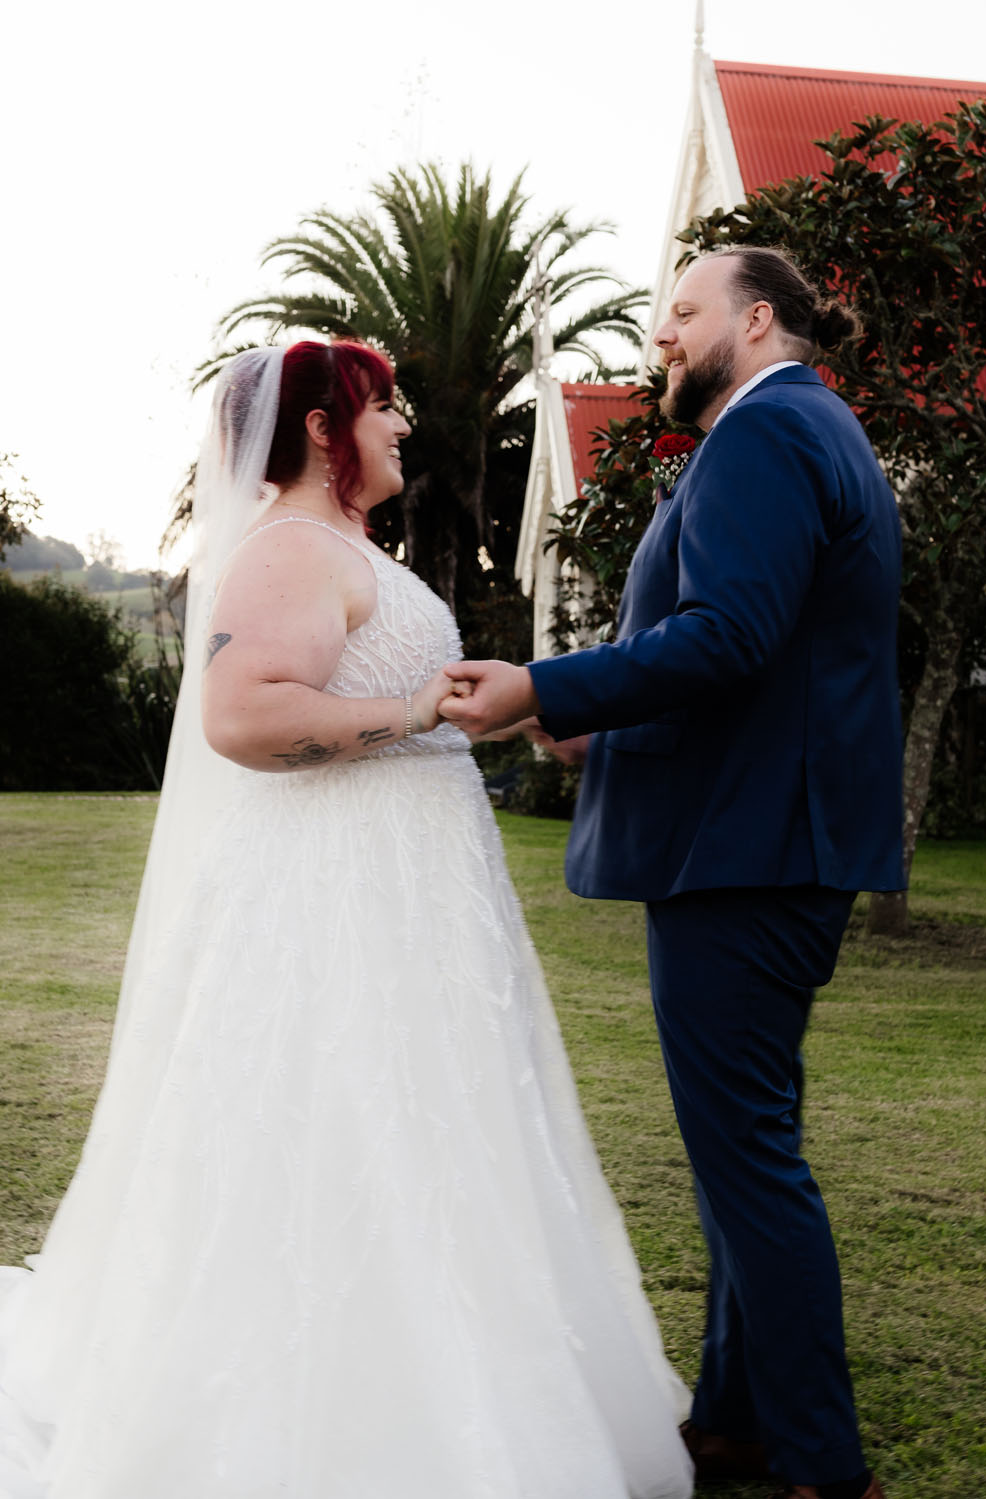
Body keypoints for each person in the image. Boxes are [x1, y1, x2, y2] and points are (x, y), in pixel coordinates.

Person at [0, 340, 694, 1499]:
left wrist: (495, 711)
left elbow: (391, 692)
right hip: (338, 901)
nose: (404, 426)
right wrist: (416, 705)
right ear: (325, 429)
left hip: (418, 896)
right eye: (384, 408)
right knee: (339, 1116)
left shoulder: (351, 549)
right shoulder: (285, 548)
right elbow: (245, 716)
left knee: (437, 1124)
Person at [440, 247, 904, 1499]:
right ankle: (737, 1422)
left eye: (680, 312)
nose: (658, 334)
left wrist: (543, 682)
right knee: (735, 1152)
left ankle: (822, 1461)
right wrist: (606, 721)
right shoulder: (811, 427)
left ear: (754, 323)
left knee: (747, 1156)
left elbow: (730, 633)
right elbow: (761, 662)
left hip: (745, 858)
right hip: (760, 841)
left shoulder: (765, 435)